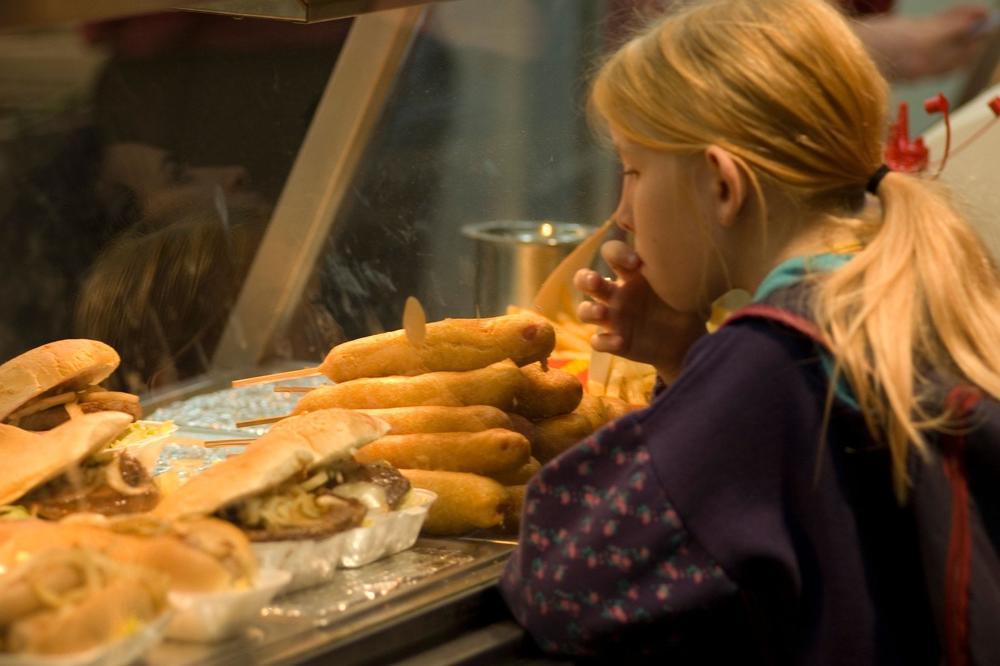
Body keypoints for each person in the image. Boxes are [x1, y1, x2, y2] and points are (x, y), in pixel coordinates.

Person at [500, 0, 1000, 663]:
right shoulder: (905, 290)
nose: (621, 214)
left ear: (722, 184)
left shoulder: (775, 358)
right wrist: (686, 358)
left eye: (634, 171)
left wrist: (715, 369)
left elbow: (566, 586)